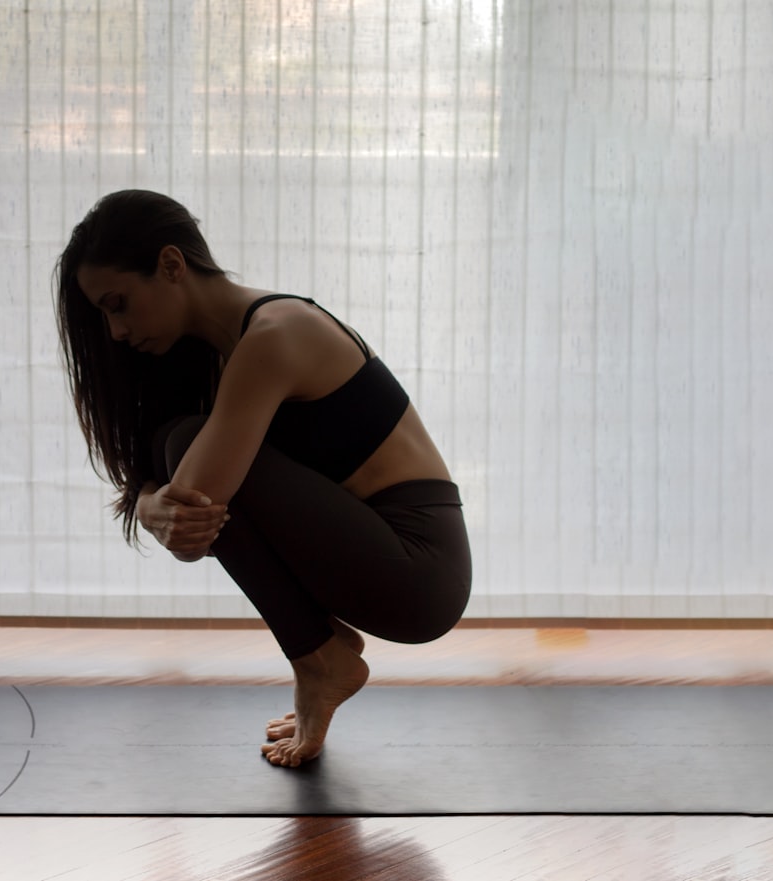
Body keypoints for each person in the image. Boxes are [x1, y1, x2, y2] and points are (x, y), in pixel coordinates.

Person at [54, 190, 472, 768]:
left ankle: (320, 660)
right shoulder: (223, 353)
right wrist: (152, 505)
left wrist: (153, 506)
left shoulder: (276, 334)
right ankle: (319, 660)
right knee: (174, 441)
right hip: (373, 555)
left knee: (182, 445)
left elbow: (192, 520)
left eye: (118, 304)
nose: (117, 332)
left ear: (172, 266)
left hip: (419, 570)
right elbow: (184, 516)